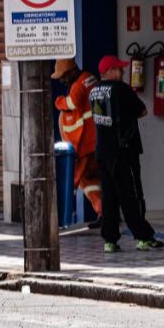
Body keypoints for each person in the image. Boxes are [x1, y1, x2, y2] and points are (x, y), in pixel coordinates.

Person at [89, 55, 163, 253]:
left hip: (103, 151)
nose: (122, 72)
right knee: (130, 195)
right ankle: (142, 237)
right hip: (123, 151)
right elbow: (142, 111)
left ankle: (110, 240)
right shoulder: (121, 89)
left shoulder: (94, 91)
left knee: (109, 197)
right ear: (110, 71)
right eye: (119, 69)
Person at [52, 59, 103, 228]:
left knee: (72, 180)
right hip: (95, 142)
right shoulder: (90, 78)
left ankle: (59, 218)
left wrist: (58, 101)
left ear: (72, 71)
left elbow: (71, 103)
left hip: (85, 144)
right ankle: (103, 212)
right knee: (90, 181)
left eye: (63, 77)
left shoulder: (79, 85)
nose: (62, 81)